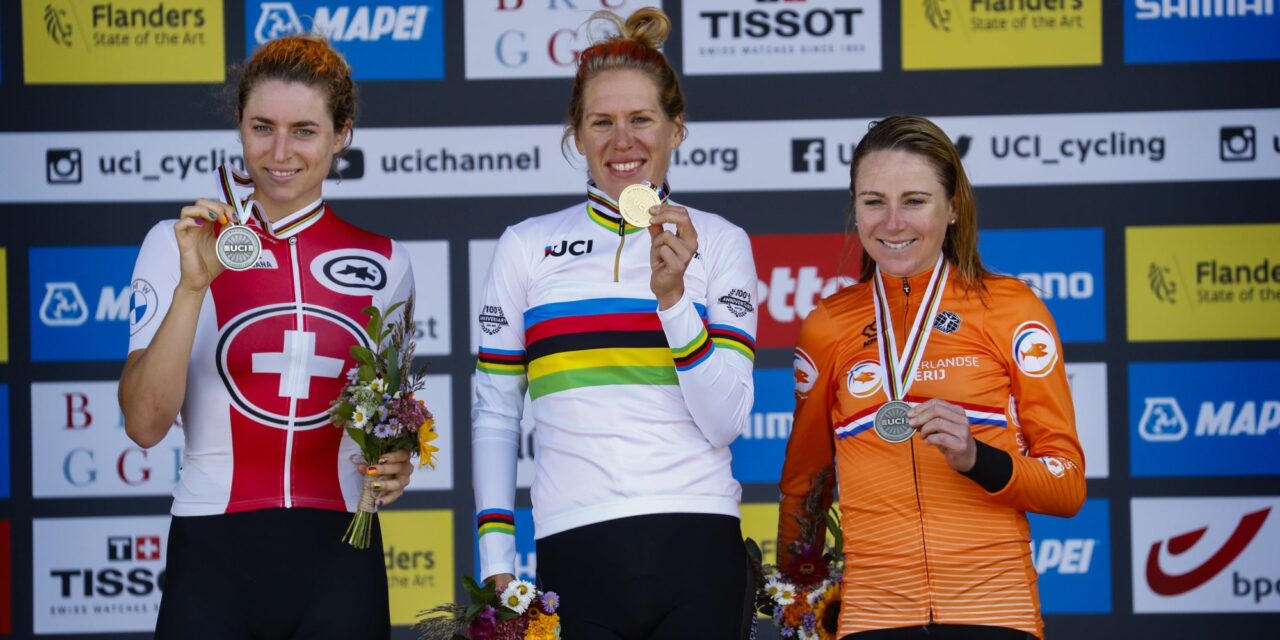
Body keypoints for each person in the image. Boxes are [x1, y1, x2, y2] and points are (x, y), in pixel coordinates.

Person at [472, 7, 758, 639]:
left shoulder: (721, 241)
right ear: (577, 134)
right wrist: (495, 560)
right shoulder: (525, 245)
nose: (621, 141)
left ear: (676, 128)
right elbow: (495, 411)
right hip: (574, 546)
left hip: (698, 536)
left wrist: (675, 300)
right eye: (601, 122)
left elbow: (725, 422)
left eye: (641, 120)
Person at [119, 34, 415, 639]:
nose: (280, 152)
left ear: (342, 134)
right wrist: (192, 286)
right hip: (212, 552)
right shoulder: (176, 243)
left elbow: (387, 418)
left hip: (341, 557)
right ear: (239, 125)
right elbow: (145, 425)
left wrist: (400, 457)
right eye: (263, 127)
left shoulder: (386, 262)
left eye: (304, 130)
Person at [777, 115, 1086, 640]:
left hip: (994, 610)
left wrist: (976, 458)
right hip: (874, 617)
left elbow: (1067, 485)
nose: (892, 222)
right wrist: (796, 596)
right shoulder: (828, 325)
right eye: (874, 201)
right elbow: (805, 482)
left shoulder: (1010, 309)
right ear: (855, 208)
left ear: (953, 208)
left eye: (914, 201)